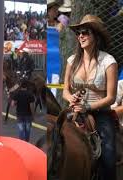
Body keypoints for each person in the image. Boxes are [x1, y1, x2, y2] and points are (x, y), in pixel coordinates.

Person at [62, 14, 117, 180]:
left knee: (108, 156)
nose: (80, 36)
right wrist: (70, 98)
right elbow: (65, 90)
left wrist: (88, 107)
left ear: (96, 36)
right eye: (78, 32)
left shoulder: (108, 61)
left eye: (85, 32)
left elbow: (111, 97)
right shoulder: (72, 60)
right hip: (74, 112)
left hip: (101, 114)